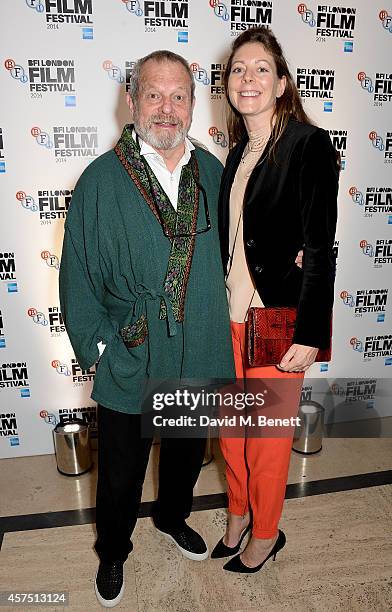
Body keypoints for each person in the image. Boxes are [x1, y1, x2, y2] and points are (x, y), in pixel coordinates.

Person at [59, 50, 235, 607]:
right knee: (119, 471)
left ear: (192, 102)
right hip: (131, 353)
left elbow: (245, 251)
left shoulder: (214, 173)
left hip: (199, 347)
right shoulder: (98, 181)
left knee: (185, 454)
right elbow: (76, 277)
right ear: (131, 100)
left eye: (178, 95)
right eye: (154, 95)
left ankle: (171, 518)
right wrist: (103, 347)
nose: (166, 108)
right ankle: (112, 550)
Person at [211, 27, 339, 573]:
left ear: (282, 83)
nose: (249, 78)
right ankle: (237, 513)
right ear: (228, 85)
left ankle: (266, 533)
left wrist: (310, 334)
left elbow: (319, 248)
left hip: (279, 319)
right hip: (228, 319)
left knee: (266, 440)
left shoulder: (308, 145)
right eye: (239, 69)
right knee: (231, 434)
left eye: (262, 68)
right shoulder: (237, 154)